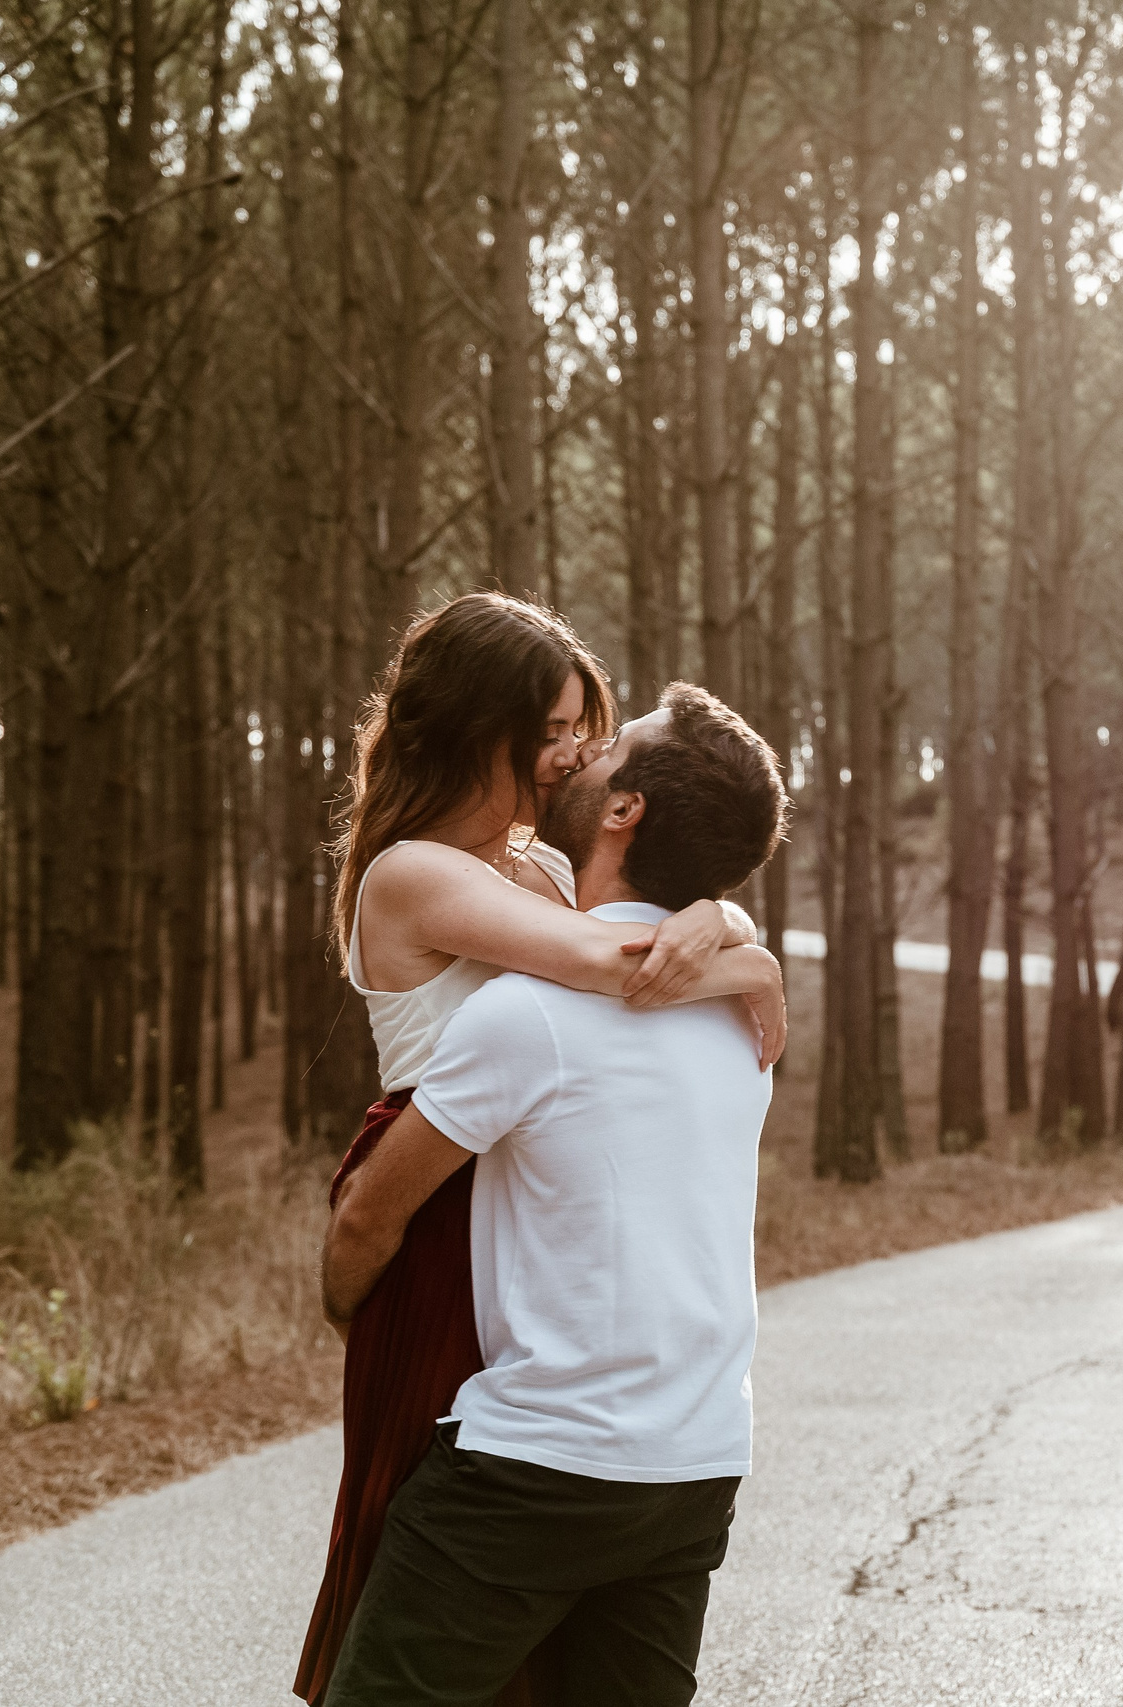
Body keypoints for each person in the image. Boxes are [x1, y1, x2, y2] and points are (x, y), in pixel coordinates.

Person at [293, 599, 785, 1707]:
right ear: (484, 727)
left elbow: (623, 934)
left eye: (586, 729)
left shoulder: (547, 874)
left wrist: (725, 920)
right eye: (557, 726)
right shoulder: (412, 872)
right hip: (433, 1216)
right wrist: (740, 947)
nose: (573, 747)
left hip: (514, 1208)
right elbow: (607, 965)